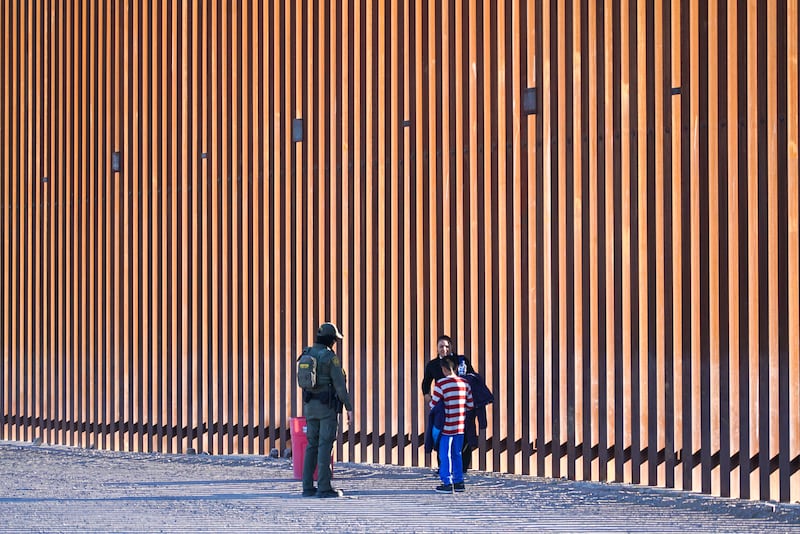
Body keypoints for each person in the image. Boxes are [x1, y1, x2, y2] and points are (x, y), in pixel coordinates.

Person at [301, 322, 354, 498]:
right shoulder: (330, 357)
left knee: (311, 445)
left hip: (310, 407)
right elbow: (339, 385)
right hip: (327, 408)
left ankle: (307, 487)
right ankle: (324, 487)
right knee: (325, 445)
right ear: (331, 340)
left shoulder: (307, 353)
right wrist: (348, 407)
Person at [429, 357, 474, 493]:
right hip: (460, 426)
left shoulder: (441, 384)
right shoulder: (465, 384)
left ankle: (447, 483)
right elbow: (470, 405)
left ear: (443, 369)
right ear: (455, 368)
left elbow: (433, 405)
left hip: (446, 427)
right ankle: (459, 482)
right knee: (457, 453)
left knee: (445, 454)